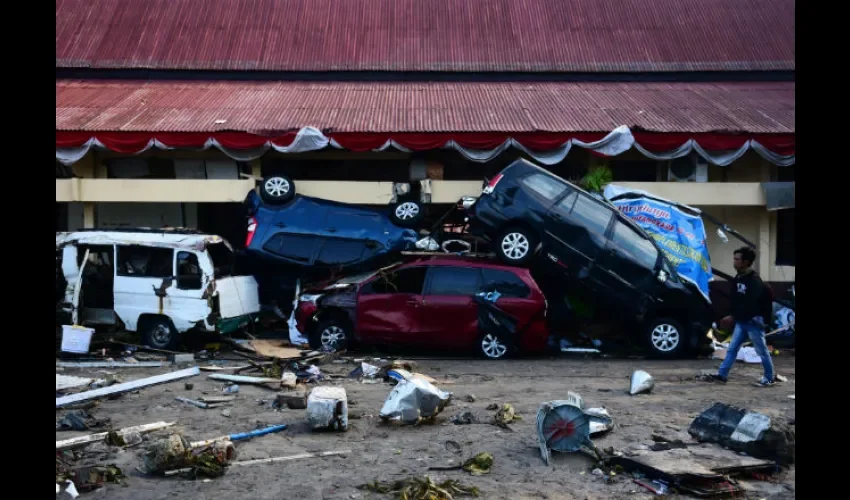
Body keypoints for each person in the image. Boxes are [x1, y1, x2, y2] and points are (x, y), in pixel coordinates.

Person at [704, 247, 776, 387]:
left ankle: (769, 377)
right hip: (741, 321)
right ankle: (722, 375)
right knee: (732, 349)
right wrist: (733, 315)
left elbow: (751, 305)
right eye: (734, 259)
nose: (734, 262)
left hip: (753, 323)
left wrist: (733, 317)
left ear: (746, 262)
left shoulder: (754, 282)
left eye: (737, 259)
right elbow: (737, 301)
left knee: (761, 351)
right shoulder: (738, 278)